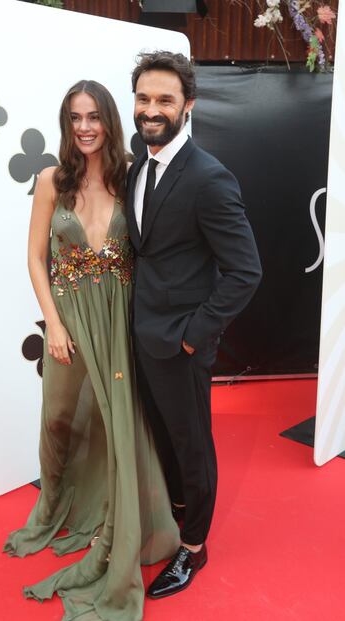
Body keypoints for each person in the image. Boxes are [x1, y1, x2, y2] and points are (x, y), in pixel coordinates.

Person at [4, 79, 179, 621]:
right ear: (66, 123)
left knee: (117, 422)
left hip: (120, 315)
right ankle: (58, 504)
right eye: (75, 117)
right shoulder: (52, 180)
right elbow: (36, 258)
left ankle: (120, 516)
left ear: (108, 120)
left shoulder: (133, 177)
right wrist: (53, 324)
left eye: (93, 116)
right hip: (71, 315)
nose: (84, 127)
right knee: (60, 418)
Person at [126, 51, 262, 599]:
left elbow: (245, 271)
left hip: (180, 344)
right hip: (140, 336)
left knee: (192, 446)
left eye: (164, 100)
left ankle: (194, 548)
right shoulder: (141, 161)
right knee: (161, 438)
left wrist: (193, 333)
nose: (151, 110)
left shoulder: (209, 178)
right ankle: (172, 519)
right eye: (143, 99)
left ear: (189, 106)